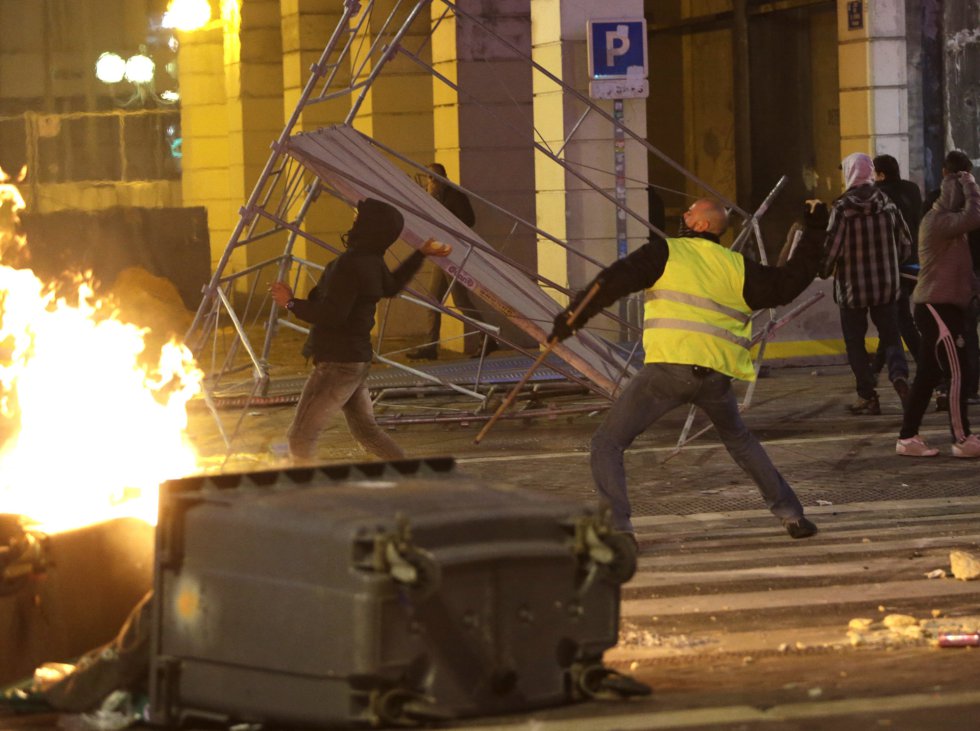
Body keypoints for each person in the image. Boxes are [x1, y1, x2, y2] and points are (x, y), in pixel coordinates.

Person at [550, 198, 827, 544]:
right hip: (715, 379)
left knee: (607, 443)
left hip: (668, 371)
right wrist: (816, 230)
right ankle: (792, 516)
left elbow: (613, 280)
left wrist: (571, 319)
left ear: (700, 225)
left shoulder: (666, 252)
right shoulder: (739, 267)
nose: (683, 215)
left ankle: (620, 529)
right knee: (739, 441)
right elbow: (790, 282)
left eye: (690, 212)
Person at [271, 197, 451, 462]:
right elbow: (392, 286)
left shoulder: (351, 264)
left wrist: (290, 302)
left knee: (300, 436)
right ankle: (409, 474)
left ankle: (305, 495)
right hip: (355, 360)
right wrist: (421, 253)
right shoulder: (371, 261)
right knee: (367, 432)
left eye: (358, 217)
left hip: (337, 362)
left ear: (369, 226)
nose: (353, 219)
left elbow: (332, 315)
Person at [819, 152, 913, 415]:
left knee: (855, 342)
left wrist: (825, 271)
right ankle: (899, 375)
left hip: (853, 290)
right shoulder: (887, 203)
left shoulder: (841, 209)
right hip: (886, 287)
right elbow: (905, 246)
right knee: (891, 336)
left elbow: (832, 250)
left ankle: (867, 395)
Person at [895, 168, 980, 458]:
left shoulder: (955, 236)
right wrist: (969, 183)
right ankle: (962, 437)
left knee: (929, 374)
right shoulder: (935, 222)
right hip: (935, 307)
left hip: (945, 306)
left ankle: (907, 438)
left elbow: (963, 272)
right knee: (958, 373)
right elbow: (973, 216)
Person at [406, 163, 492, 360]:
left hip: (453, 255)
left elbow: (468, 220)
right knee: (433, 300)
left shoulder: (454, 196)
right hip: (441, 254)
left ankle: (487, 338)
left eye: (432, 179)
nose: (430, 183)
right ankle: (430, 346)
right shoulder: (436, 198)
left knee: (461, 302)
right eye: (429, 179)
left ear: (440, 179)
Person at [921, 151, 980, 409]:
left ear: (944, 171)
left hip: (949, 286)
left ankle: (952, 388)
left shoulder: (936, 206)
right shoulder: (959, 208)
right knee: (964, 340)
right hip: (956, 286)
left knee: (951, 344)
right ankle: (965, 388)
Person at [871, 154, 922, 373]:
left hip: (895, 265)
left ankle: (930, 368)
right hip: (915, 262)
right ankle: (875, 368)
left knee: (901, 320)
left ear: (881, 175)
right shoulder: (912, 189)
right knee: (891, 318)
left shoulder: (879, 195)